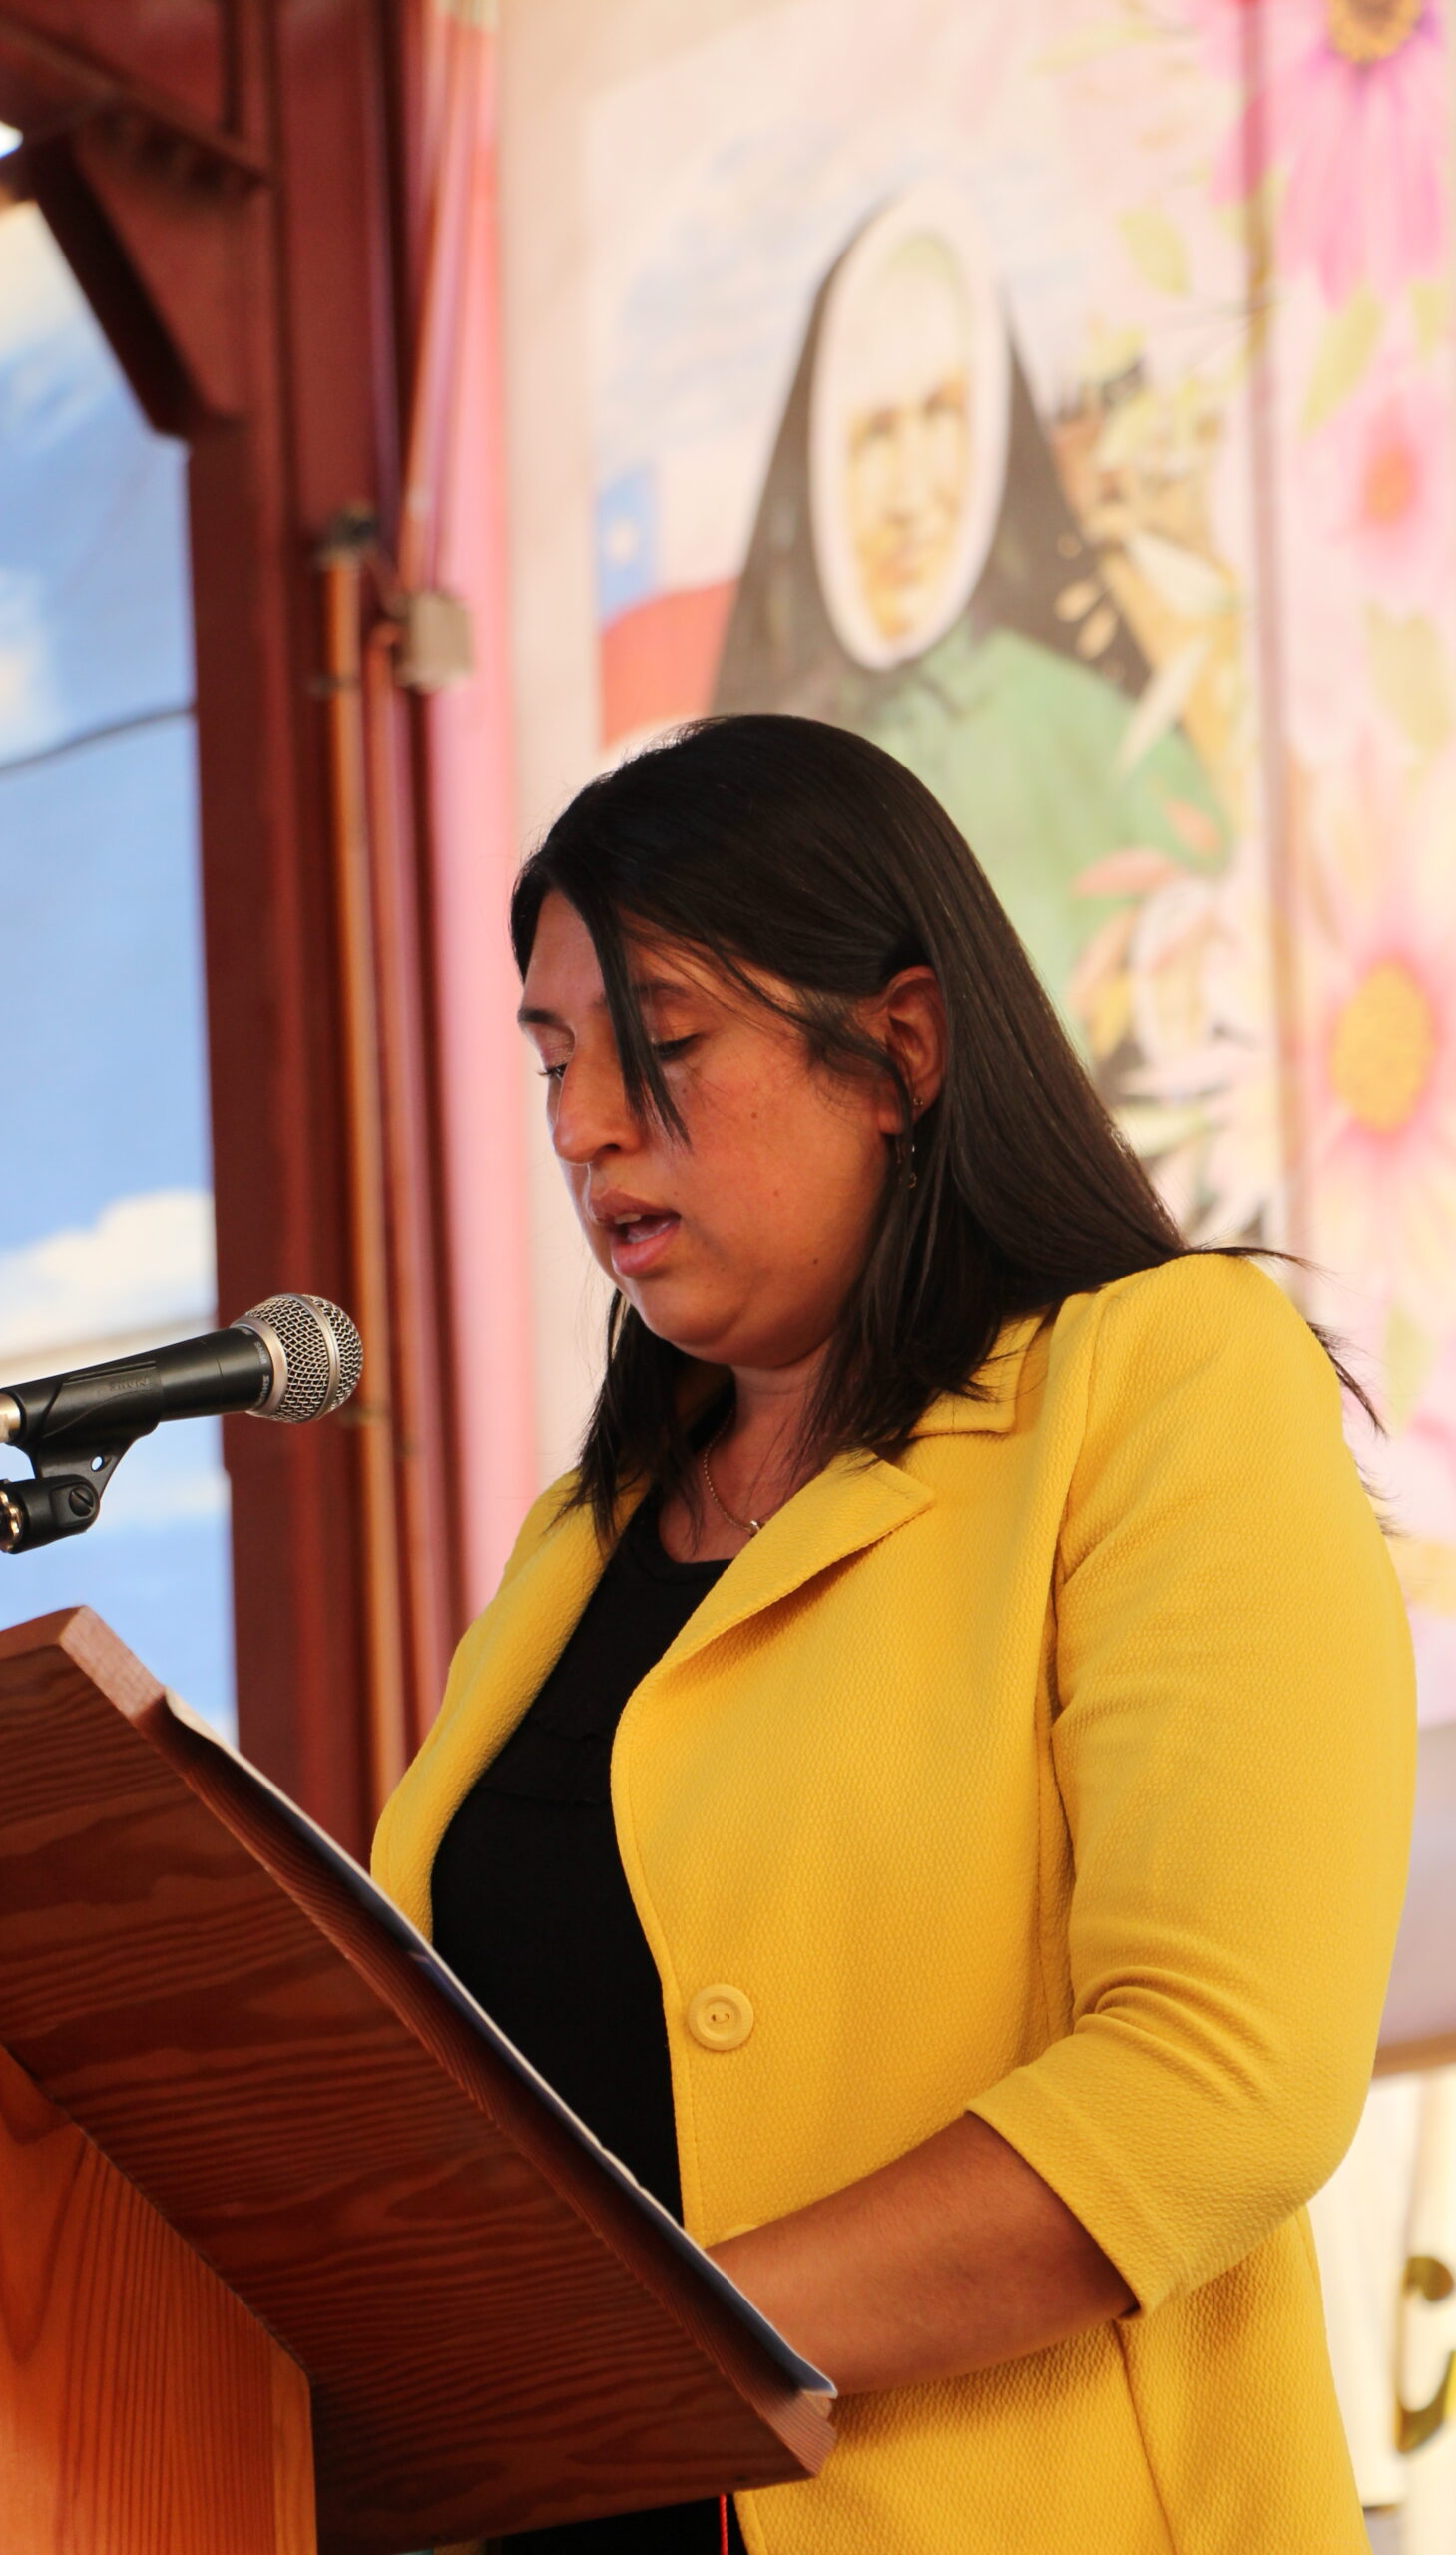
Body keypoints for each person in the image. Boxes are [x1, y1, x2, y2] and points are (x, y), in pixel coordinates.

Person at [371, 714, 1416, 2554]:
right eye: (551, 1063)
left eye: (659, 1042)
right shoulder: (571, 1549)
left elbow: (1220, 2085)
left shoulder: (1159, 1381)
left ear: (900, 1051)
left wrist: (636, 2349)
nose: (585, 1124)